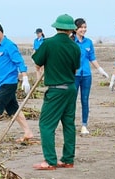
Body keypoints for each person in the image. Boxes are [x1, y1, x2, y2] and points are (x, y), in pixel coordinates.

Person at [31, 14, 81, 169]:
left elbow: (37, 62)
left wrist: (48, 64)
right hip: (71, 88)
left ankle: (50, 160)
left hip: (56, 90)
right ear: (70, 30)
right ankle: (67, 159)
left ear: (56, 27)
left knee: (46, 124)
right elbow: (75, 68)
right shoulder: (75, 46)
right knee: (68, 124)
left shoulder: (48, 43)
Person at [73, 18, 110, 136]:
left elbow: (92, 58)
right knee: (71, 101)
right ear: (75, 29)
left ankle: (84, 125)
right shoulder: (71, 42)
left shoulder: (88, 42)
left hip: (86, 75)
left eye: (85, 27)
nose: (83, 29)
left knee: (85, 100)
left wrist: (100, 70)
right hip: (73, 75)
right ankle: (70, 124)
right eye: (81, 27)